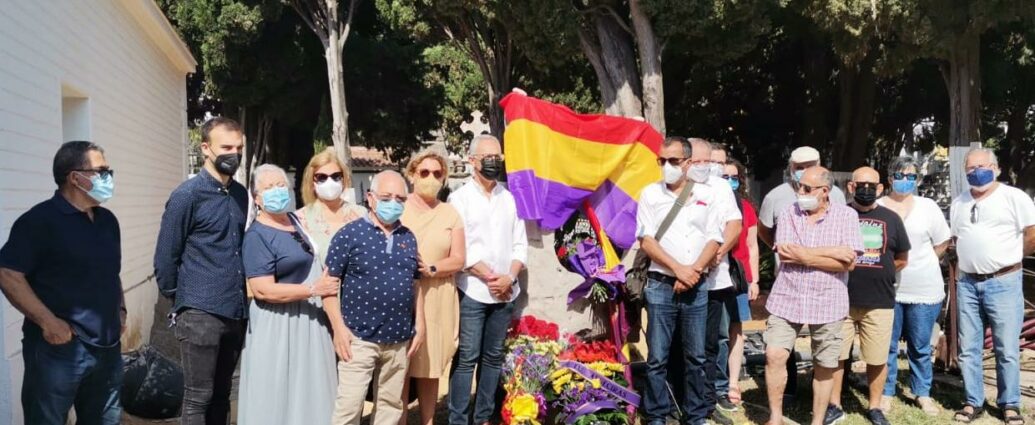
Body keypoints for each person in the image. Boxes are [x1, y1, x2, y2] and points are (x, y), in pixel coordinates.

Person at [0, 141, 124, 425]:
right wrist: (48, 322)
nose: (108, 177)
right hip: (60, 350)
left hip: (108, 348)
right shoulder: (39, 221)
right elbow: (8, 272)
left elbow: (110, 273)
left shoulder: (108, 221)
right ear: (75, 177)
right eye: (101, 171)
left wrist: (121, 311)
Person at [154, 117, 249, 425]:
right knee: (198, 397)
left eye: (239, 147)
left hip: (234, 311)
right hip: (199, 312)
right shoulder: (187, 195)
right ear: (206, 148)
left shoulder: (240, 195)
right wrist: (180, 302)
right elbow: (166, 257)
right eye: (226, 147)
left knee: (223, 395)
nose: (233, 154)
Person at [237, 164, 341, 425]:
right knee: (276, 396)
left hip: (310, 323)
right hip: (278, 327)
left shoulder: (296, 222)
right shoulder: (257, 236)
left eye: (280, 185)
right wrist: (313, 289)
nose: (277, 192)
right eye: (268, 188)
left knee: (313, 394)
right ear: (257, 198)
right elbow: (262, 289)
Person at [323, 171, 425, 425]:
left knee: (391, 408)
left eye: (400, 198)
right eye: (386, 197)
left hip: (399, 340)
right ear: (371, 198)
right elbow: (328, 286)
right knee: (349, 407)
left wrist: (420, 324)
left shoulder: (408, 237)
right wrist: (339, 329)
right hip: (358, 338)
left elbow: (415, 284)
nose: (394, 203)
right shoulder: (349, 235)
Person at [764, 166, 862, 425]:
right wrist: (831, 252)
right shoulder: (789, 212)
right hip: (787, 296)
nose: (800, 192)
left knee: (825, 364)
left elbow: (848, 262)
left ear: (825, 191)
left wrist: (805, 255)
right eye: (798, 186)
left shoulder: (847, 216)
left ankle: (817, 421)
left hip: (828, 300)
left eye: (807, 188)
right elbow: (785, 253)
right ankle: (775, 417)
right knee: (774, 354)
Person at [637, 136, 724, 425]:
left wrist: (693, 272)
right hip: (661, 284)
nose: (666, 166)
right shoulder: (650, 193)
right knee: (657, 358)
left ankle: (696, 415)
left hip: (696, 285)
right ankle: (656, 416)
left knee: (696, 357)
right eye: (661, 161)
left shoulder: (707, 194)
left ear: (687, 163)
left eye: (673, 161)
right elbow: (646, 241)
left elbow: (715, 238)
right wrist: (679, 269)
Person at [949, 148, 1035, 425]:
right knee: (969, 348)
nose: (976, 172)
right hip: (968, 283)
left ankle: (1010, 404)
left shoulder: (1014, 197)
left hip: (1004, 282)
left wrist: (1010, 258)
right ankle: (972, 401)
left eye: (982, 166)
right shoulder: (959, 202)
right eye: (970, 169)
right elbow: (958, 237)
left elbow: (1032, 234)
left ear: (996, 168)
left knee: (1006, 348)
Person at [757, 146, 847, 405]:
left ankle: (828, 400)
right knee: (782, 348)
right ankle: (788, 391)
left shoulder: (837, 195)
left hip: (828, 284)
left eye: (809, 165)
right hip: (789, 281)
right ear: (790, 168)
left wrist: (806, 254)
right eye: (798, 166)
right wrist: (789, 252)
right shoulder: (776, 197)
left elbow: (845, 245)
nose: (803, 172)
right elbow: (766, 232)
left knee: (826, 348)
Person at [447, 134, 528, 425]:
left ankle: (483, 417)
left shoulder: (510, 198)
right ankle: (458, 418)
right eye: (488, 157)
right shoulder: (458, 199)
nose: (494, 162)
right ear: (472, 161)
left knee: (493, 357)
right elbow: (461, 248)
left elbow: (520, 244)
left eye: (498, 157)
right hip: (473, 291)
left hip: (506, 291)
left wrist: (510, 277)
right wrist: (492, 278)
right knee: (467, 358)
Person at [826, 167, 910, 425]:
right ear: (850, 187)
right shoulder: (838, 215)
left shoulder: (892, 218)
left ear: (880, 188)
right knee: (836, 355)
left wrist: (879, 270)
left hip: (880, 301)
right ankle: (833, 404)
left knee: (876, 357)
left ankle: (874, 407)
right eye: (860, 184)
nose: (865, 189)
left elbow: (902, 258)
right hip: (841, 298)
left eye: (871, 185)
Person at [878, 156, 950, 416]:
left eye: (911, 176)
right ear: (889, 178)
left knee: (920, 345)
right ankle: (885, 391)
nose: (905, 181)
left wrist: (923, 260)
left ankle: (922, 392)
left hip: (924, 287)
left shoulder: (928, 206)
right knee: (886, 344)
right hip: (887, 288)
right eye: (900, 175)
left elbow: (942, 242)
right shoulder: (877, 206)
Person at [400, 150, 467, 425]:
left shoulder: (450, 213)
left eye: (437, 173)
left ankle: (427, 420)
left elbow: (459, 258)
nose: (430, 178)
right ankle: (400, 420)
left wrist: (433, 269)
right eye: (424, 172)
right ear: (412, 174)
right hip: (403, 294)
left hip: (438, 294)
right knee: (401, 365)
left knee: (429, 366)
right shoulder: (397, 207)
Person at [697, 141, 742, 425]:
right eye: (709, 161)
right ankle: (684, 398)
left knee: (712, 343)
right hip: (686, 277)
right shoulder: (683, 188)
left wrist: (719, 252)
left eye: (718, 162)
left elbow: (734, 225)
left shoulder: (723, 189)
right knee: (687, 345)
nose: (714, 167)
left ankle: (709, 399)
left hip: (716, 278)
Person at [721, 158, 761, 408]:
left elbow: (752, 245)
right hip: (716, 277)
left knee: (736, 331)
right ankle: (716, 381)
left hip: (739, 278)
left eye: (734, 177)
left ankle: (733, 382)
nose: (730, 181)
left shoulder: (746, 207)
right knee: (715, 334)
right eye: (724, 177)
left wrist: (754, 279)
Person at [758, 146, 847, 246]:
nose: (805, 171)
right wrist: (778, 250)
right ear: (791, 169)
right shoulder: (774, 196)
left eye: (810, 166)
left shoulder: (835, 193)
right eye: (799, 168)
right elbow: (763, 231)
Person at [297, 147, 367, 259]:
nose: (330, 182)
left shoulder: (361, 215)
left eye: (336, 176)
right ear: (311, 182)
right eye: (321, 177)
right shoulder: (300, 219)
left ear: (344, 179)